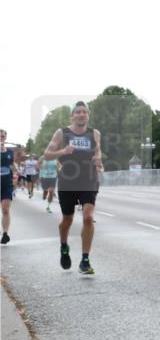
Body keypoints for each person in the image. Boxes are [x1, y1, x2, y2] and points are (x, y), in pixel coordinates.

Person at [43, 101, 103, 275]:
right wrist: (63, 152)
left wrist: (97, 159)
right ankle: (64, 246)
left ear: (88, 115)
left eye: (84, 112)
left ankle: (85, 260)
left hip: (89, 179)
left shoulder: (95, 133)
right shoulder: (62, 132)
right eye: (78, 112)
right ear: (72, 116)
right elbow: (47, 154)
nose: (81, 114)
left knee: (88, 217)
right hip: (67, 181)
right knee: (67, 220)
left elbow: (97, 150)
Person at [0, 130, 22, 245]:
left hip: (6, 183)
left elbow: (12, 163)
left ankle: (5, 234)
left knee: (5, 209)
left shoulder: (9, 151)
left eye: (3, 136)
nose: (1, 138)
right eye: (0, 136)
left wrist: (17, 170)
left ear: (5, 137)